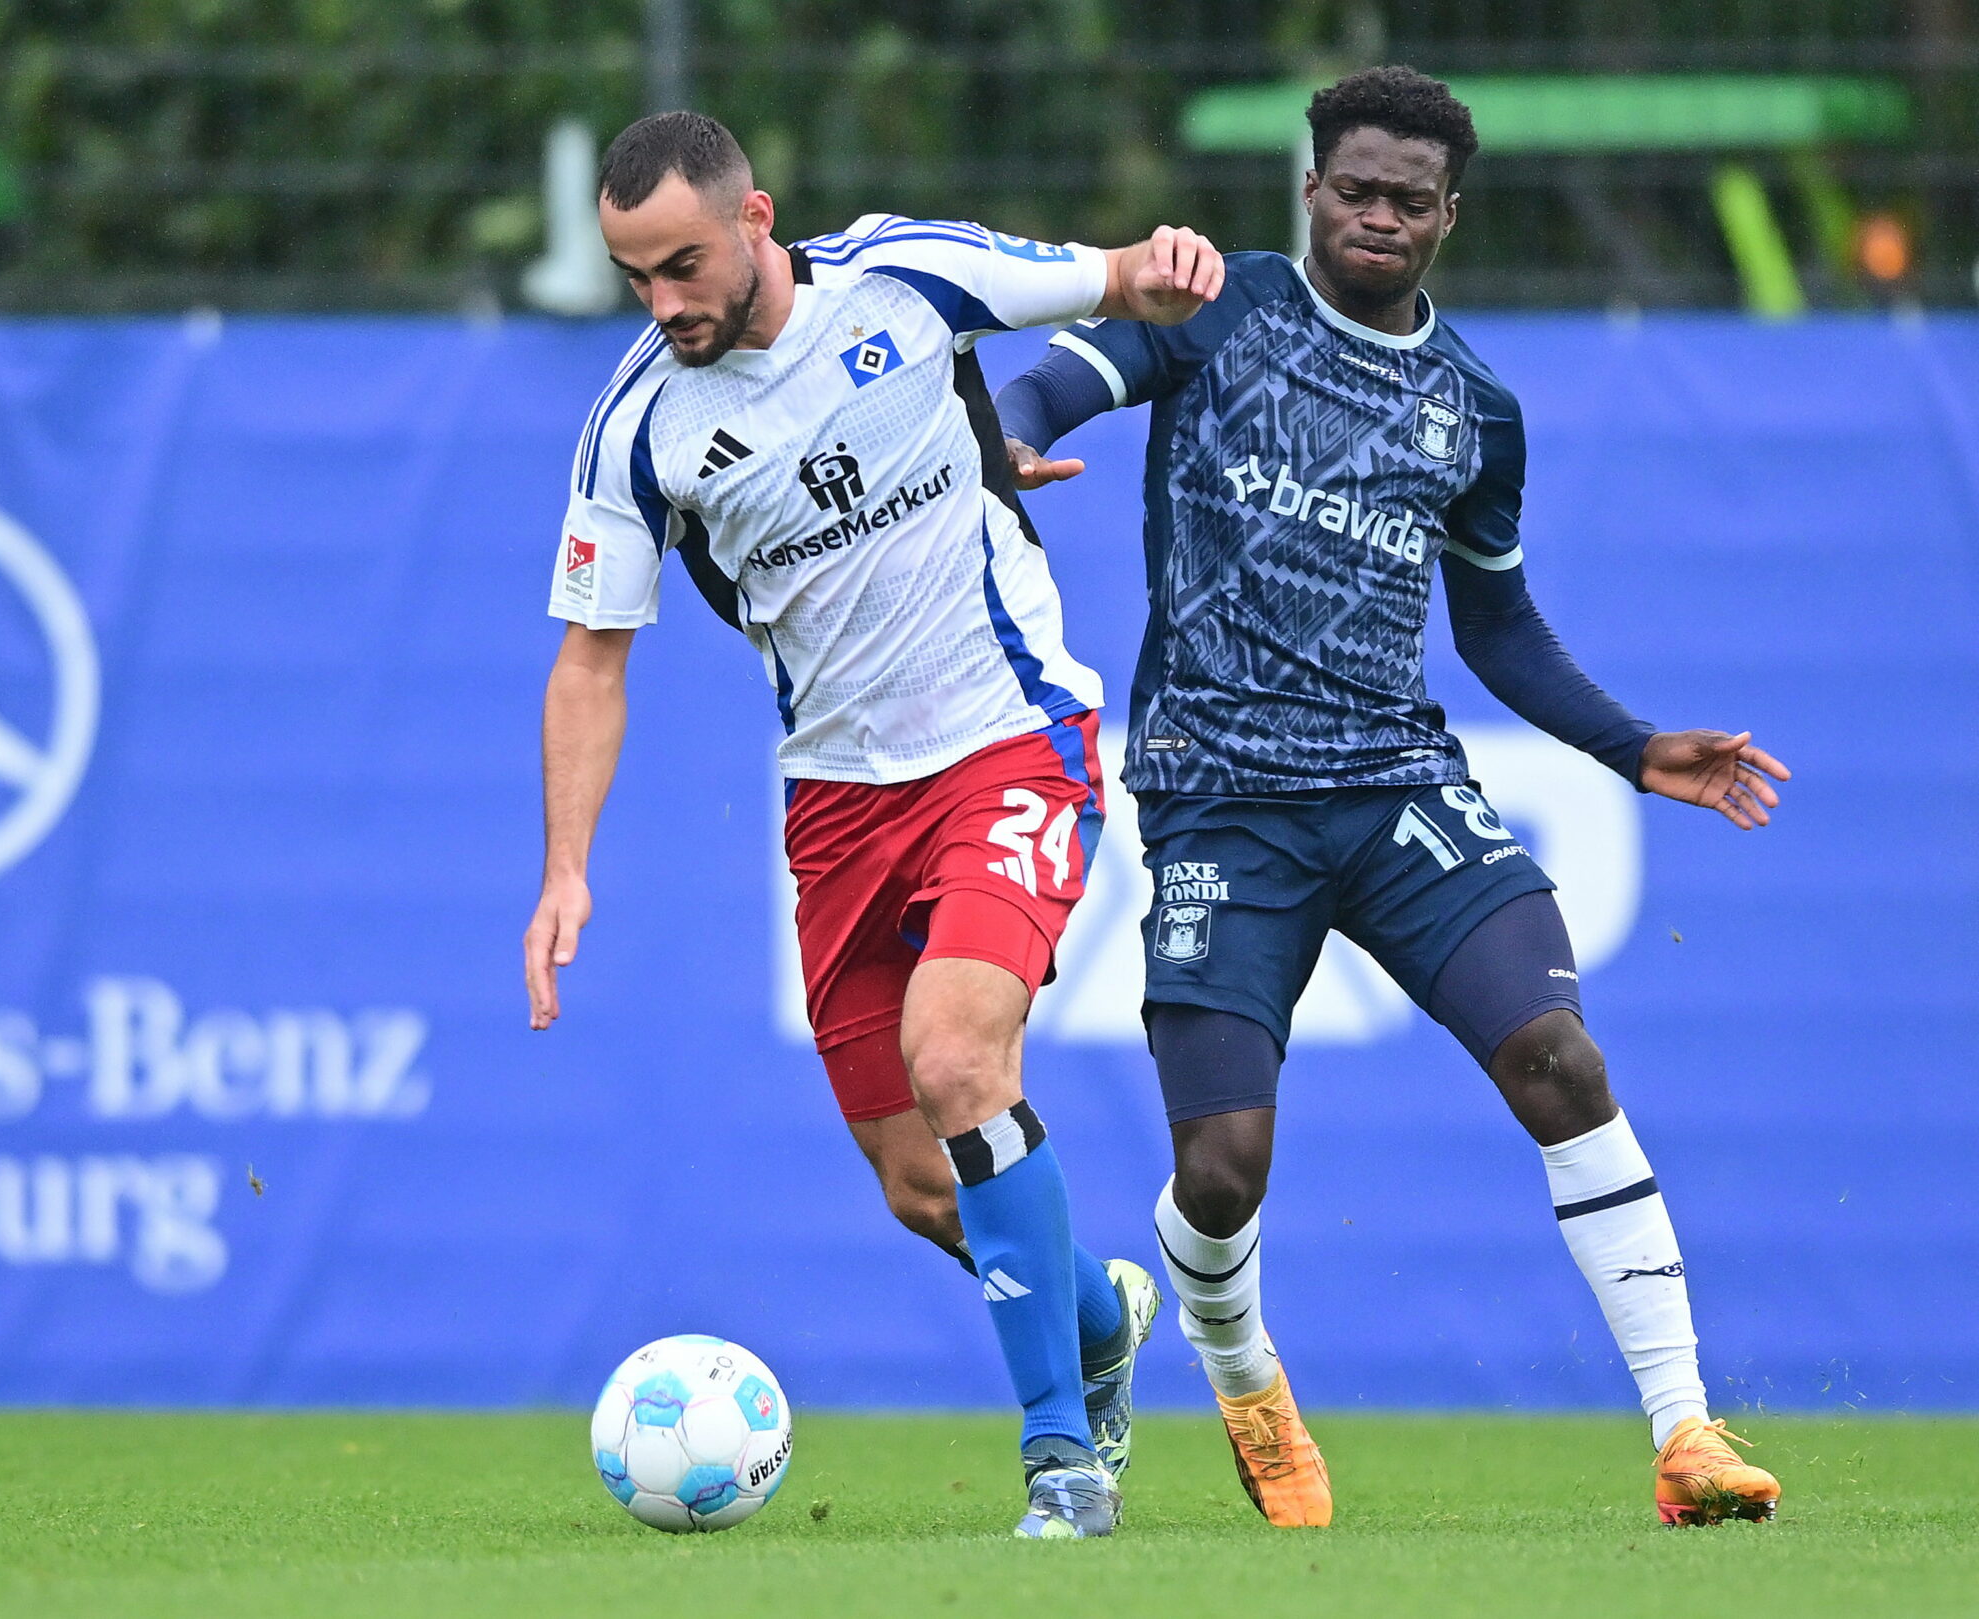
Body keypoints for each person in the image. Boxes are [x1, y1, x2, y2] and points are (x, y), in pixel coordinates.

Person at [994, 66, 1790, 1530]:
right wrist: (1009, 432)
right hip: (1219, 800)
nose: (1376, 216)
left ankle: (1687, 1433)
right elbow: (1064, 376)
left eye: (1406, 201)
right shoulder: (1223, 306)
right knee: (1223, 1174)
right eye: (1352, 189)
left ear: (1447, 218)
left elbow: (1494, 622)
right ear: (1310, 190)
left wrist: (1631, 745)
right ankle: (1241, 1373)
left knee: (1559, 1057)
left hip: (1395, 787)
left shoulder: (1474, 410)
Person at [525, 109, 1225, 1537]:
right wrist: (566, 869)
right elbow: (591, 660)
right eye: (634, 278)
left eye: (682, 266)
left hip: (1010, 744)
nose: (664, 305)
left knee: (960, 1055)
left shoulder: (905, 278)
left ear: (756, 219)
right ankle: (1097, 1318)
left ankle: (1062, 1465)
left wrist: (1165, 263)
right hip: (840, 803)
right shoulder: (638, 428)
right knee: (923, 1184)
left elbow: (1109, 282)